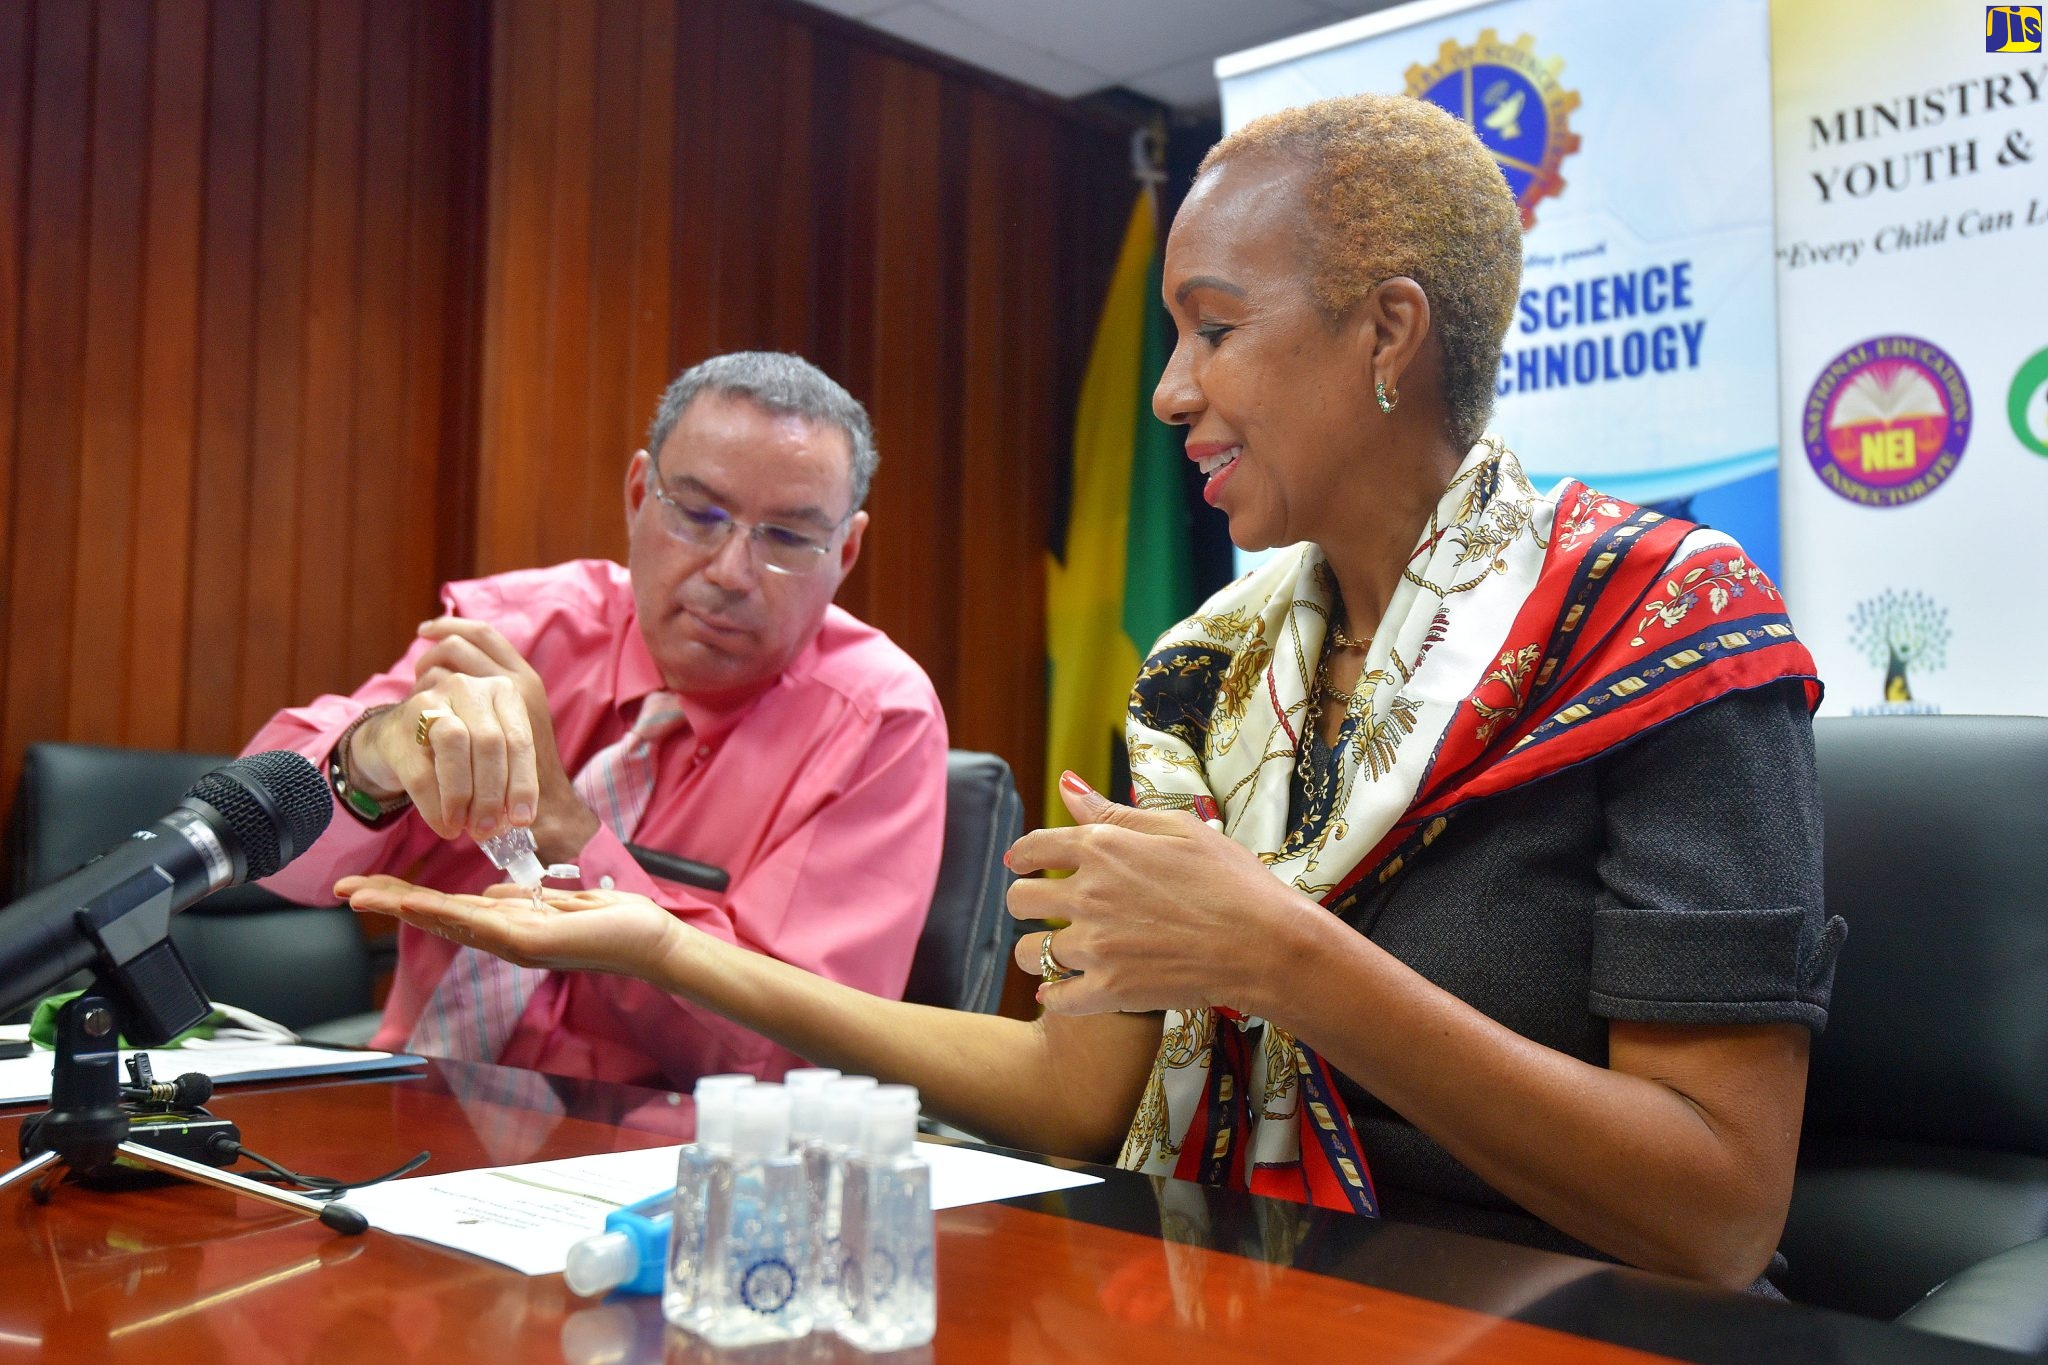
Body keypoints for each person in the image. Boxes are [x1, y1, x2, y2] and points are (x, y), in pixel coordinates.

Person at [339, 97, 1841, 1293]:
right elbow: (1075, 1096)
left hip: (1560, 1314)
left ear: (1388, 332)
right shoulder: (1208, 670)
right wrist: (656, 944)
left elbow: (1714, 1219)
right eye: (1174, 331)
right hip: (1250, 1297)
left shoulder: (1667, 623)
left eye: (1217, 326)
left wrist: (1291, 963)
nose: (1170, 388)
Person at [249, 351, 948, 1089]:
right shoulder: (522, 630)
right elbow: (265, 849)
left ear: (845, 550)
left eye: (786, 538)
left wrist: (565, 827)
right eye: (699, 514)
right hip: (403, 1097)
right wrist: (372, 756)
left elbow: (793, 1056)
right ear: (640, 492)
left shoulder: (878, 719)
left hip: (653, 1162)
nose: (730, 573)